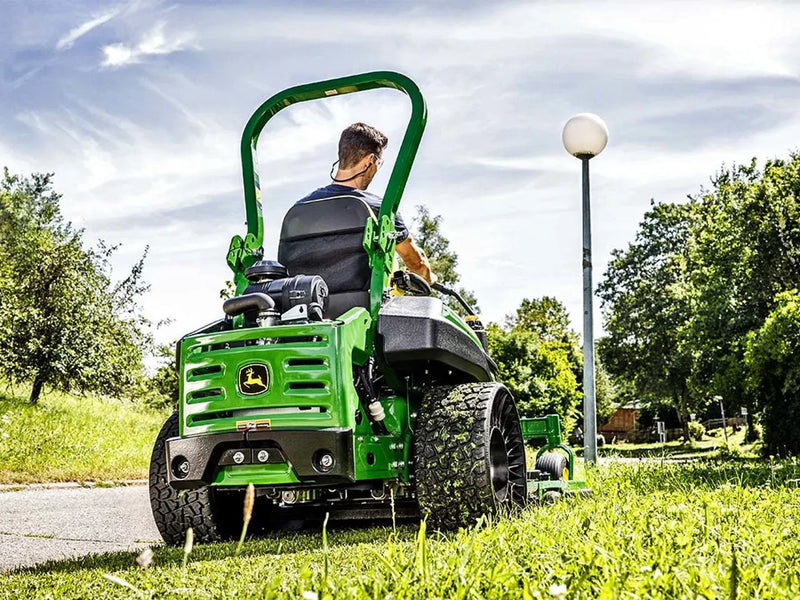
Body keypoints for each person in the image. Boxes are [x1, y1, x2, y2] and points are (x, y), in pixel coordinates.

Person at [295, 122, 437, 284]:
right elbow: (416, 263)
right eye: (378, 163)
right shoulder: (380, 210)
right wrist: (429, 277)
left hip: (304, 304)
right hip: (361, 306)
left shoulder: (301, 209)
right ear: (370, 161)